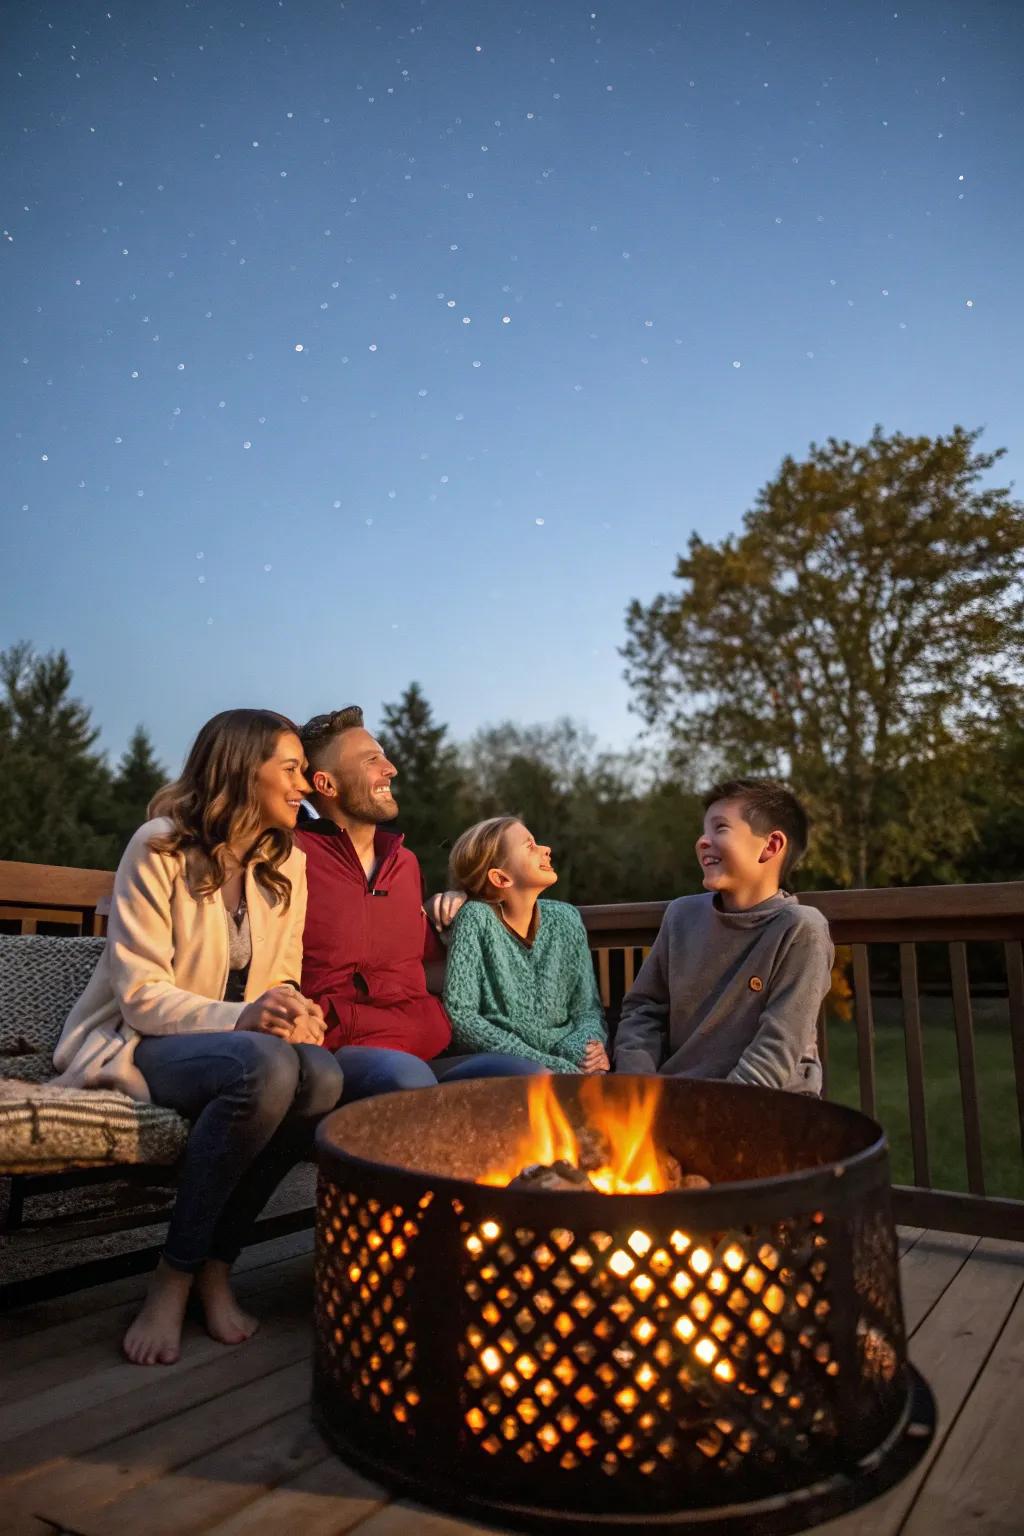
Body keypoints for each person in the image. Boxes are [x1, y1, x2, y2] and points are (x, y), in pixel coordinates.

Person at [52, 710, 343, 1366]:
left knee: (322, 1074)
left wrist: (297, 1014)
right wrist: (243, 1019)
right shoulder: (158, 846)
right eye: (292, 769)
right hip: (145, 1042)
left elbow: (283, 979)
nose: (307, 784)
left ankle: (217, 1265)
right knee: (266, 1067)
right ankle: (174, 1276)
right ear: (244, 769)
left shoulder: (286, 864)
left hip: (239, 1050)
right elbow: (141, 996)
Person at [295, 707, 544, 1098]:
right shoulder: (292, 858)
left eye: (384, 756)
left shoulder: (403, 862)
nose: (390, 768)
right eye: (371, 760)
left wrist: (469, 910)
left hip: (427, 1046)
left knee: (531, 1078)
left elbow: (429, 967)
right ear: (326, 784)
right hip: (345, 1052)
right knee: (410, 1084)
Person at [613, 778, 832, 1092]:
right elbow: (644, 1009)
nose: (703, 841)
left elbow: (777, 1047)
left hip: (768, 1106)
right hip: (675, 1098)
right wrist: (639, 1087)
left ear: (770, 847)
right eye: (704, 830)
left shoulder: (800, 929)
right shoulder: (681, 916)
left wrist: (712, 1115)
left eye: (720, 828)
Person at [442, 815, 609, 1073]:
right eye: (530, 846)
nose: (546, 849)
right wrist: (548, 1065)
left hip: (565, 1061)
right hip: (503, 1066)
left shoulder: (566, 918)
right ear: (501, 879)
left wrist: (586, 1047)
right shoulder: (475, 919)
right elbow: (462, 1017)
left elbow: (587, 1009)